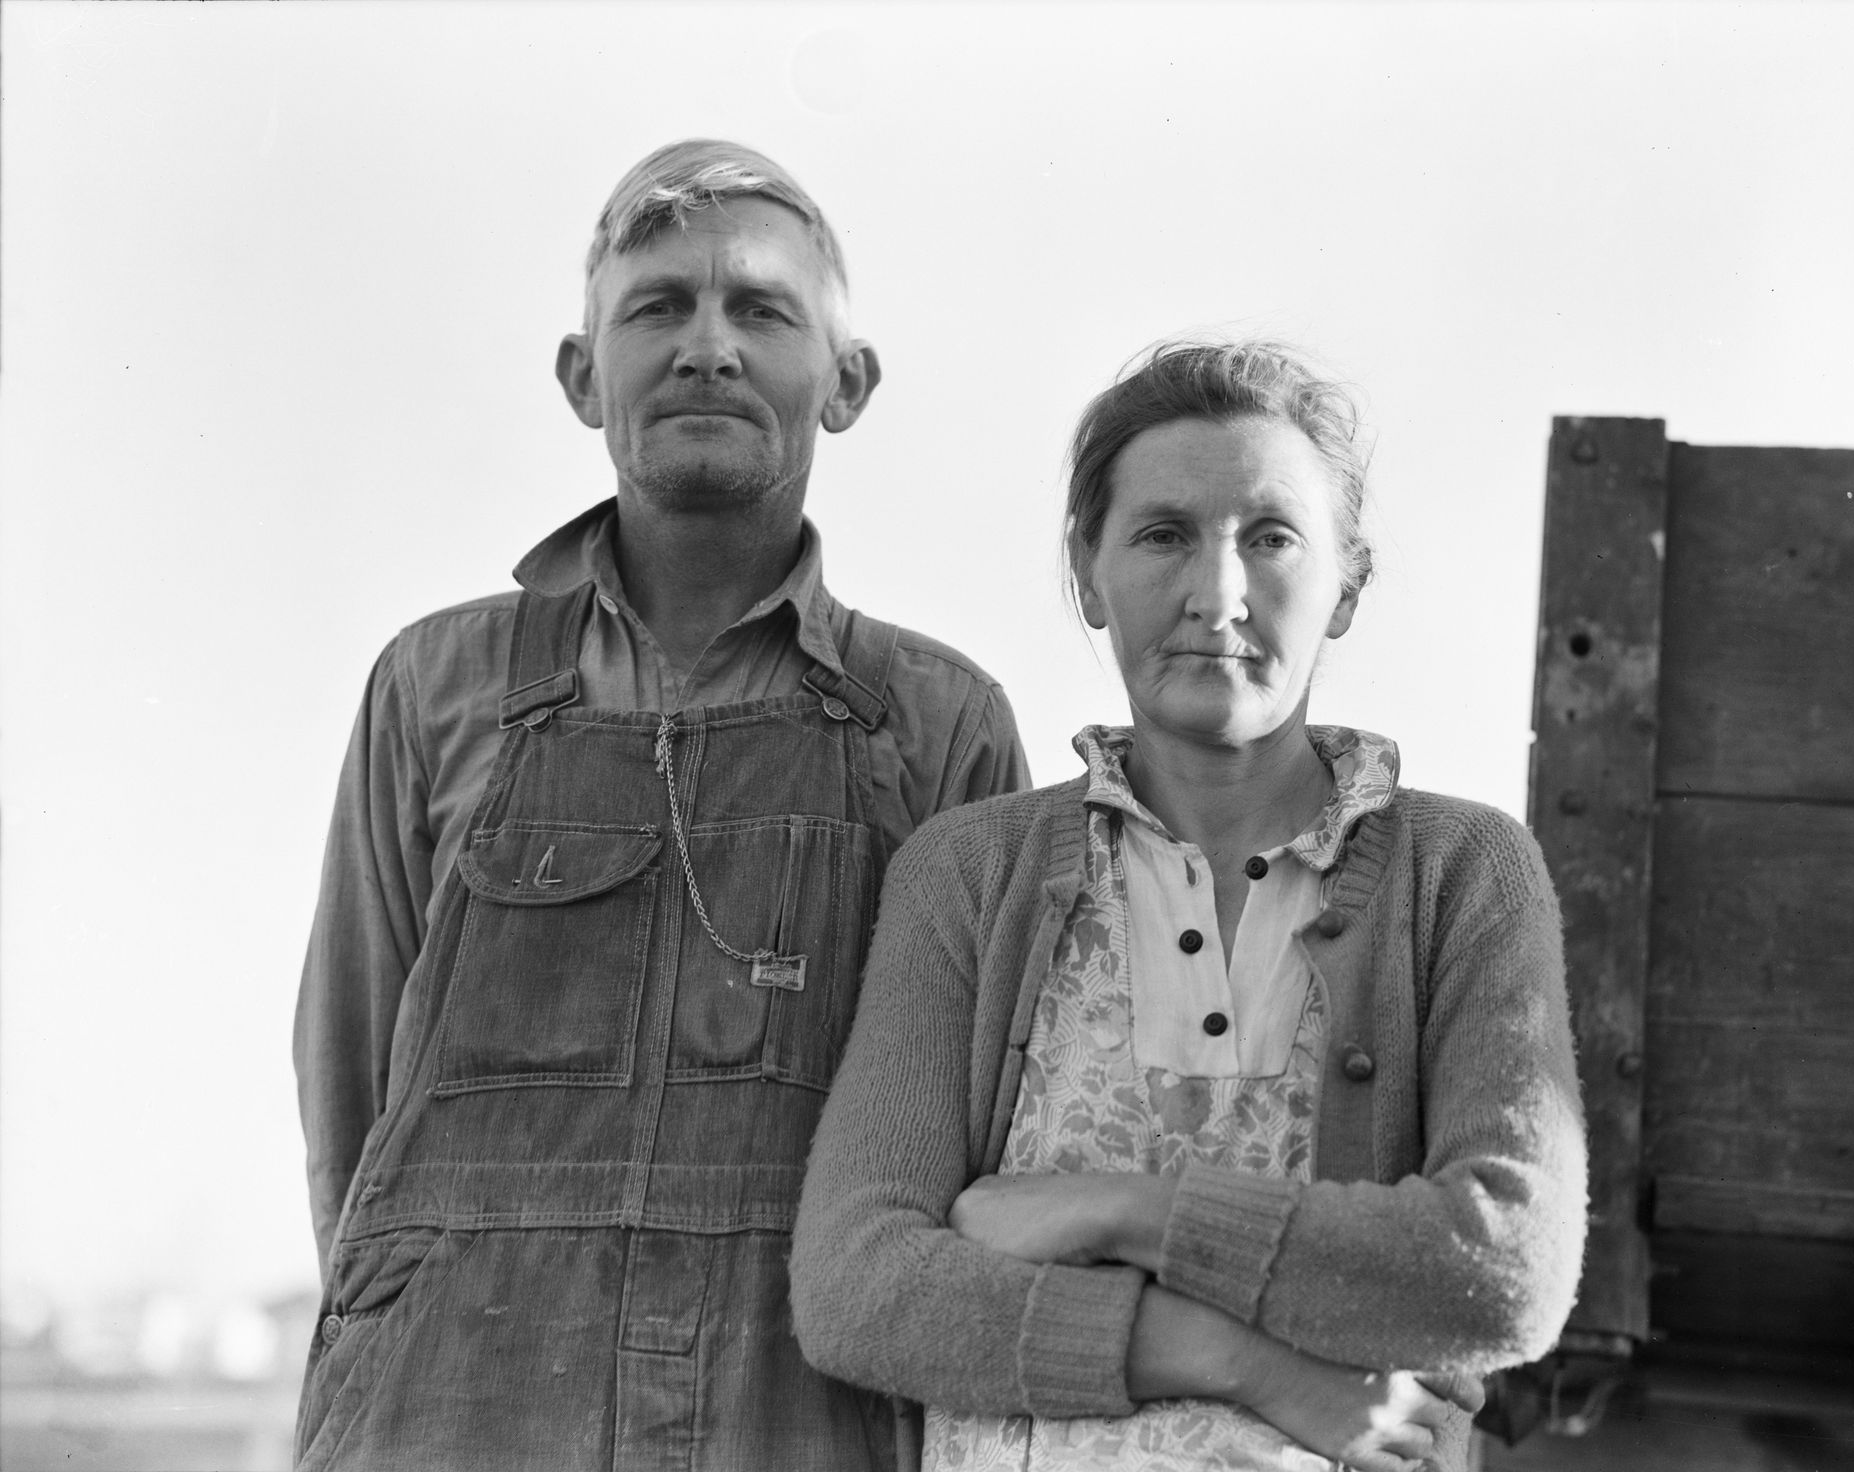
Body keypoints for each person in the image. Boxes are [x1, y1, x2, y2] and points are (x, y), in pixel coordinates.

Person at [292, 139, 1028, 1470]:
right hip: (454, 1409)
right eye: (657, 307)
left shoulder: (938, 725)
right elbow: (347, 1085)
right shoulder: (433, 684)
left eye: (761, 309)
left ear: (847, 381)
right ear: (584, 377)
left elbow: (966, 1148)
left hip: (799, 1409)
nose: (707, 347)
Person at [791, 340, 1587, 1472]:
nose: (1217, 594)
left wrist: (1115, 1209)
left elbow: (1504, 1261)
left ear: (1348, 581)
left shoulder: (1464, 875)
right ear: (1087, 569)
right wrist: (1242, 1357)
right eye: (1164, 534)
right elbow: (857, 1285)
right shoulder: (969, 874)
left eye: (1271, 537)